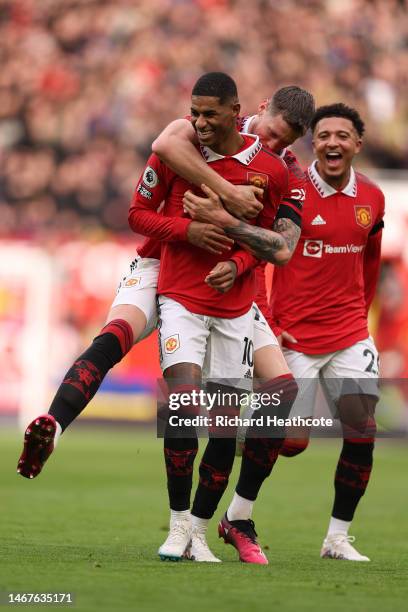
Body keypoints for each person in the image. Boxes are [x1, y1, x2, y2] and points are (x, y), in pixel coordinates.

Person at [17, 84, 314, 489]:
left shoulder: (289, 175)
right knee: (116, 335)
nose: (272, 142)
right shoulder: (212, 126)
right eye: (270, 130)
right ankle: (53, 425)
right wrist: (226, 195)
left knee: (291, 429)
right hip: (163, 258)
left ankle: (236, 508)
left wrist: (229, 227)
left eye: (285, 140)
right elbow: (164, 143)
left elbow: (280, 250)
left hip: (231, 278)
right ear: (259, 109)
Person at [184, 103, 385, 563]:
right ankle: (238, 509)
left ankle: (336, 538)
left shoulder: (373, 198)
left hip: (351, 332)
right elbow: (260, 255)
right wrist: (270, 326)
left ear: (358, 143)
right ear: (313, 142)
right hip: (293, 334)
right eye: (324, 135)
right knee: (290, 441)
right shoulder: (290, 189)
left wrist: (362, 315)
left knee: (363, 432)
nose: (333, 143)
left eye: (342, 135)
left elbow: (370, 259)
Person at [127, 72, 302, 563]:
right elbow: (137, 214)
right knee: (181, 403)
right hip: (182, 296)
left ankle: (202, 531)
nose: (200, 121)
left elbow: (270, 243)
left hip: (236, 309)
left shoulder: (273, 170)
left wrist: (237, 262)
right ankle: (178, 526)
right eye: (195, 112)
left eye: (209, 113)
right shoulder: (179, 150)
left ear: (234, 109)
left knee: (225, 424)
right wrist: (187, 231)